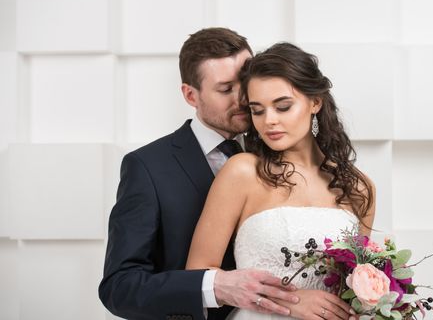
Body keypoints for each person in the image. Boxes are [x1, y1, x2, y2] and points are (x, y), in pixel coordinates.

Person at [99, 28, 299, 320]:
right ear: (191, 95)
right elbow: (120, 287)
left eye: (245, 82)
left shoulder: (282, 148)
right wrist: (213, 286)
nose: (243, 97)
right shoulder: (147, 167)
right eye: (225, 89)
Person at [186, 42, 376, 320]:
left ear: (315, 102)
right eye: (258, 110)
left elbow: (357, 284)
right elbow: (198, 273)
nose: (269, 121)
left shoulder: (358, 187)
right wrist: (291, 300)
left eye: (283, 106)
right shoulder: (242, 172)